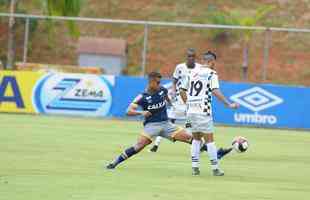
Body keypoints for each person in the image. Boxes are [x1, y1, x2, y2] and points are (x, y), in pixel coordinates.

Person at [106, 72, 195, 170]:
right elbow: (128, 111)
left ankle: (214, 153)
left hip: (166, 124)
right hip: (151, 126)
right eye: (157, 82)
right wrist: (141, 113)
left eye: (159, 82)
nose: (159, 84)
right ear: (151, 82)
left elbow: (166, 97)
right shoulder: (142, 97)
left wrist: (170, 104)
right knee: (138, 146)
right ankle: (114, 163)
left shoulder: (162, 90)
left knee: (190, 138)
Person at [180, 51, 239, 176]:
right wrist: (228, 104)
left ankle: (195, 167)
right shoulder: (212, 73)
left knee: (196, 138)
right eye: (214, 63)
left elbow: (182, 90)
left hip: (191, 111)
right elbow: (215, 91)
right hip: (203, 111)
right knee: (209, 140)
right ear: (211, 62)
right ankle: (215, 168)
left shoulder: (191, 72)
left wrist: (188, 104)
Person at [149, 48, 201, 152]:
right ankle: (156, 145)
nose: (190, 58)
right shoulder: (180, 67)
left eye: (192, 56)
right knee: (168, 122)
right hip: (179, 100)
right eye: (189, 56)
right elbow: (174, 81)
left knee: (192, 123)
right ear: (186, 57)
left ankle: (196, 147)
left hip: (192, 100)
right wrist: (173, 91)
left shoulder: (199, 68)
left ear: (195, 57)